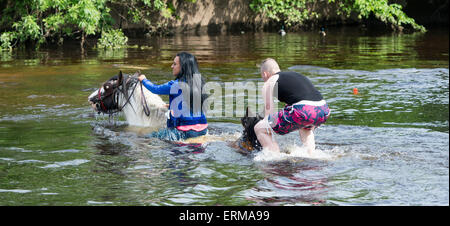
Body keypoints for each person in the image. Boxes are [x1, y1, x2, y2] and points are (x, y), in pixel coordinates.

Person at [254, 58, 330, 154]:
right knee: (305, 127)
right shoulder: (295, 75)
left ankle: (273, 157)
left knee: (260, 128)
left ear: (265, 74)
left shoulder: (269, 83)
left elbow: (268, 117)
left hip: (304, 110)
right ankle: (311, 155)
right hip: (323, 110)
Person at [138, 52, 208, 141]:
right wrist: (171, 105)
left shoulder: (175, 85)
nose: (172, 66)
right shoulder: (198, 83)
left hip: (184, 132)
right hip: (203, 129)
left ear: (183, 67)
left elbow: (155, 89)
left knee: (144, 136)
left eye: (175, 64)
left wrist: (144, 80)